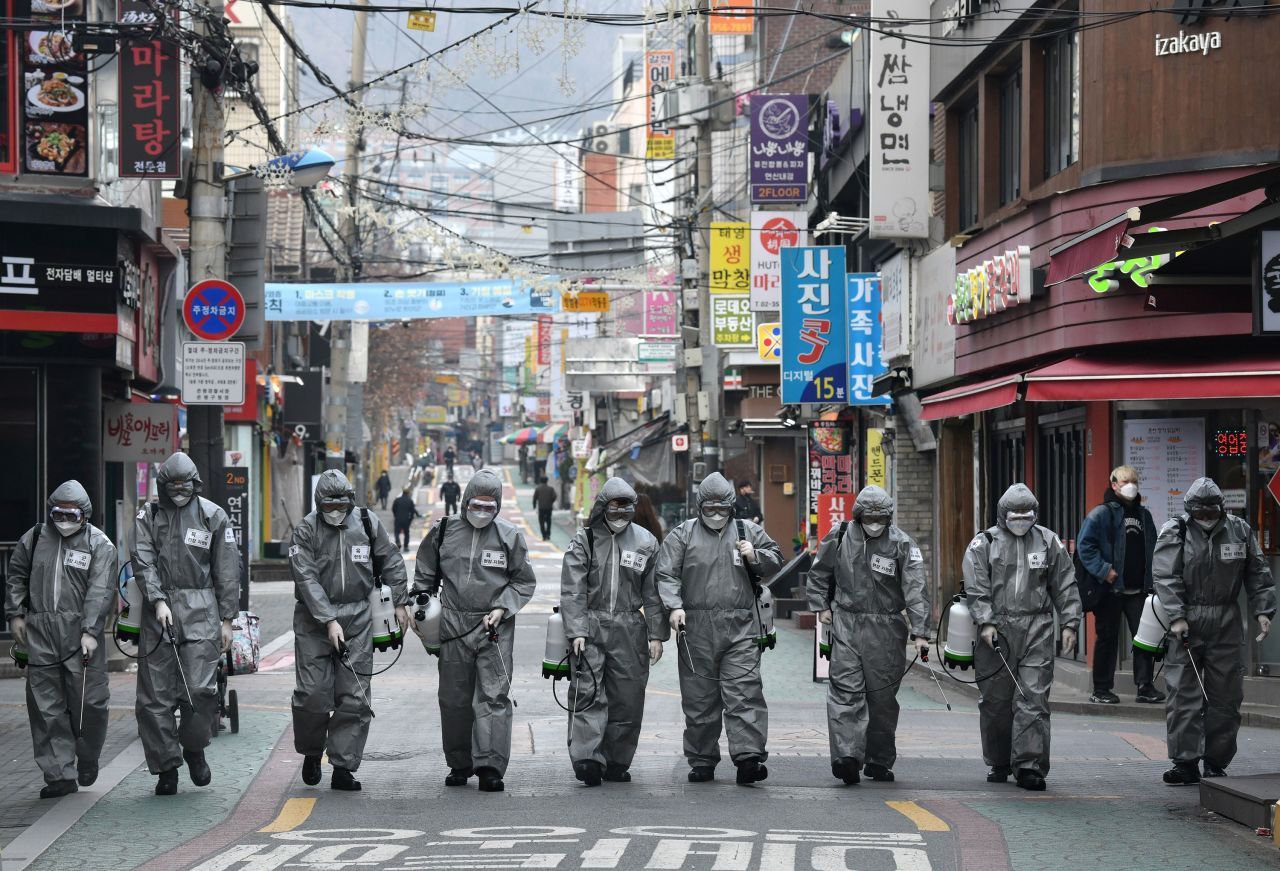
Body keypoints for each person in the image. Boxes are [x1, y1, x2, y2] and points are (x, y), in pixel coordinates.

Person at [412, 469, 536, 792]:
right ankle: (459, 763)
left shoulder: (509, 537)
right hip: (452, 625)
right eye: (476, 505)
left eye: (488, 507)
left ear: (498, 507)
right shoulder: (444, 532)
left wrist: (502, 607)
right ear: (465, 501)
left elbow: (524, 580)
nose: (481, 512)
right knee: (454, 700)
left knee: (493, 697)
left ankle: (490, 766)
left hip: (493, 627)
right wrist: (421, 604)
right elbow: (425, 571)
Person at [657, 473, 783, 785]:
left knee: (745, 693)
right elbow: (666, 573)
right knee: (699, 698)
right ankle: (702, 759)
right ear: (700, 506)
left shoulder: (748, 531)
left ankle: (748, 757)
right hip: (695, 627)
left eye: (722, 508)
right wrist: (674, 606)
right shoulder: (682, 535)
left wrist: (755, 556)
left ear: (731, 507)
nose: (716, 514)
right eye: (710, 508)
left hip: (741, 626)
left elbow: (776, 559)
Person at [290, 471, 409, 791]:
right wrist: (328, 621)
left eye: (341, 504)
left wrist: (399, 601)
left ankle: (343, 765)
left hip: (358, 619)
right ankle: (313, 750)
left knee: (354, 698)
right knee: (312, 695)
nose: (336, 510)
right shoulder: (305, 530)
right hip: (313, 623)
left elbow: (392, 560)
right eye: (329, 505)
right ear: (318, 504)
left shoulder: (367, 524)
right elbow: (307, 579)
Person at [1153, 477, 1276, 785]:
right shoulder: (1176, 532)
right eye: (1200, 512)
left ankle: (1216, 760)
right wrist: (1177, 616)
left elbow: (1258, 572)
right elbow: (1166, 576)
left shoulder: (1239, 531)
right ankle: (1185, 761)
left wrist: (1263, 610)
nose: (1206, 517)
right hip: (1188, 620)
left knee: (1226, 694)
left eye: (1211, 511)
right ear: (1190, 510)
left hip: (1226, 619)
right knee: (1183, 693)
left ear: (1221, 509)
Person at [807, 485, 930, 785]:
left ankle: (878, 758)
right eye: (869, 517)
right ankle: (847, 756)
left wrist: (921, 632)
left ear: (888, 518)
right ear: (859, 515)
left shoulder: (902, 544)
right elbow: (819, 573)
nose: (874, 522)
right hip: (847, 621)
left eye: (880, 517)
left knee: (882, 698)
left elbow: (916, 589)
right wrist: (821, 606)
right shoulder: (839, 537)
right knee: (845, 690)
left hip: (887, 627)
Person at [132, 452, 239, 796]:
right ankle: (166, 768)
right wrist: (158, 599)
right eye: (173, 486)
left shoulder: (213, 516)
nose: (179, 491)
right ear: (163, 486)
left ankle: (194, 748)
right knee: (155, 698)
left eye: (185, 485)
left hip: (201, 610)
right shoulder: (149, 516)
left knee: (200, 691)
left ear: (196, 485)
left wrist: (227, 619)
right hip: (158, 613)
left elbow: (227, 570)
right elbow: (142, 560)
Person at [963, 483, 1082, 792]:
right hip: (997, 631)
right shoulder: (985, 543)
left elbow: (1065, 583)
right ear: (1003, 515)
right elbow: (976, 586)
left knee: (1033, 696)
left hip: (1037, 627)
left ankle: (1030, 765)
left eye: (1025, 515)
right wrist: (986, 621)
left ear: (1034, 515)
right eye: (1014, 515)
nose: (1020, 520)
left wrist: (1070, 622)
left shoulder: (1047, 541)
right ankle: (999, 760)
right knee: (996, 701)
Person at [4, 481, 115, 799]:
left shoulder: (99, 544)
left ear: (85, 514)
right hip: (41, 631)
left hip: (80, 633)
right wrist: (16, 614)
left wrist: (91, 631)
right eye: (58, 513)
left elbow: (101, 589)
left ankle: (88, 755)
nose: (64, 520)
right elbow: (17, 575)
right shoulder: (36, 537)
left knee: (89, 703)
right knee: (45, 706)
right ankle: (59, 774)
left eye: (72, 514)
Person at [561, 478, 667, 786]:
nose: (620, 512)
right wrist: (577, 628)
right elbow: (573, 588)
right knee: (588, 691)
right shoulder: (586, 540)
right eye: (614, 506)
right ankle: (588, 758)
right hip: (591, 626)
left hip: (630, 627)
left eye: (626, 506)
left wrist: (656, 634)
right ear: (602, 507)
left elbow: (654, 592)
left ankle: (618, 759)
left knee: (628, 696)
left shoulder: (646, 542)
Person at [1077, 465, 1163, 704]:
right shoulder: (1101, 514)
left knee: (1144, 638)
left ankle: (1145, 686)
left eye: (1133, 480)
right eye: (1125, 481)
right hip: (1111, 589)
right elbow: (1085, 546)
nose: (1130, 485)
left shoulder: (1144, 515)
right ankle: (1101, 689)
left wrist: (1153, 581)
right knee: (1107, 638)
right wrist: (1105, 571)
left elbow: (1154, 549)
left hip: (1139, 590)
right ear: (1113, 484)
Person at [391, 486, 421, 551]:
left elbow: (393, 509)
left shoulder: (397, 500)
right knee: (406, 533)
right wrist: (411, 519)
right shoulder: (410, 501)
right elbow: (413, 511)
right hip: (406, 519)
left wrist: (396, 515)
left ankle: (398, 542)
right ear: (408, 493)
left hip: (398, 518)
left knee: (396, 532)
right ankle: (405, 546)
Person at [533, 476, 558, 542]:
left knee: (541, 522)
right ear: (547, 481)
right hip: (549, 508)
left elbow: (534, 498)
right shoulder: (551, 489)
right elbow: (555, 496)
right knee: (548, 521)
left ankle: (543, 535)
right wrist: (551, 502)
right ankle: (548, 534)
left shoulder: (538, 489)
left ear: (540, 481)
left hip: (541, 508)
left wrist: (534, 506)